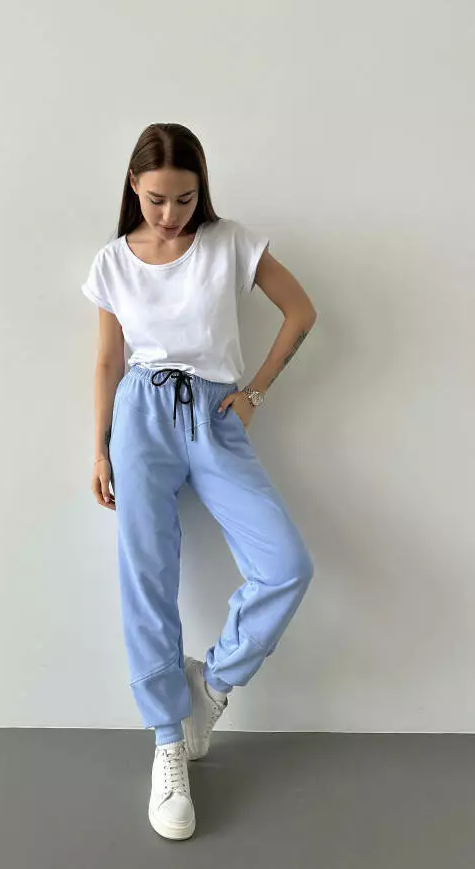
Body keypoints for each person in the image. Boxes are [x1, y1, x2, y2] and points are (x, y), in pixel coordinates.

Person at [81, 122, 317, 841]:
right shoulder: (112, 262)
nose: (170, 214)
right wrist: (99, 448)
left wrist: (256, 393)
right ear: (134, 187)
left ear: (201, 190)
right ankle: (167, 742)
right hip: (140, 416)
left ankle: (208, 687)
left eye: (184, 199)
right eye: (156, 199)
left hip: (215, 414)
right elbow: (107, 361)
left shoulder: (230, 242)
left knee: (285, 565)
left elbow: (301, 311)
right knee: (147, 576)